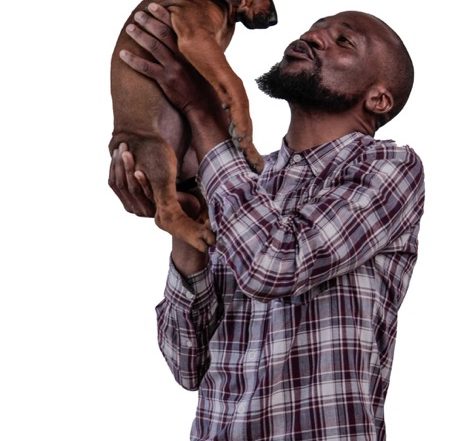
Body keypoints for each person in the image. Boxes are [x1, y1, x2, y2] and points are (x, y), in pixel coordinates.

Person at [109, 3, 425, 440]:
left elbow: (275, 263)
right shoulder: (238, 180)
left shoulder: (388, 167)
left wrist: (201, 109)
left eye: (343, 41)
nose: (313, 37)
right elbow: (186, 362)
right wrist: (186, 219)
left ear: (378, 99)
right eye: (314, 29)